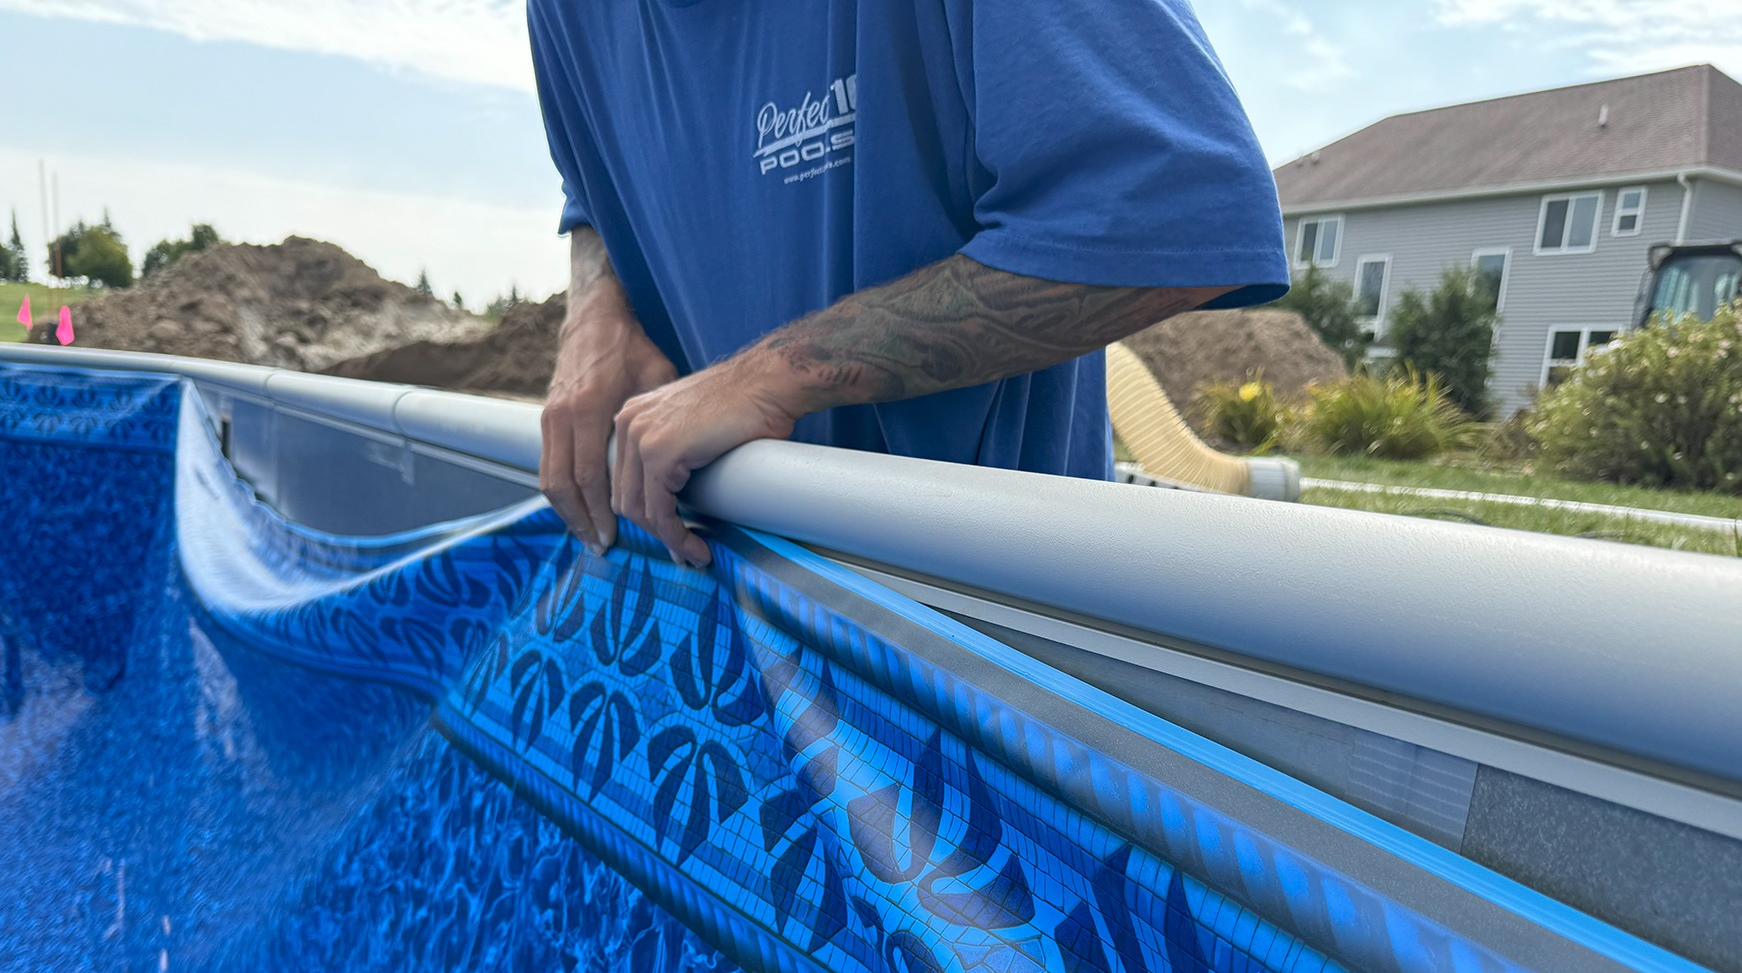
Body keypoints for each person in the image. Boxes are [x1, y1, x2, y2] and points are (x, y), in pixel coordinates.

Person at [528, 1, 1288, 568]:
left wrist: (771, 376)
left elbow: (1173, 217)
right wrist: (596, 312)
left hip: (976, 642)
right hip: (724, 604)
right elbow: (587, 188)